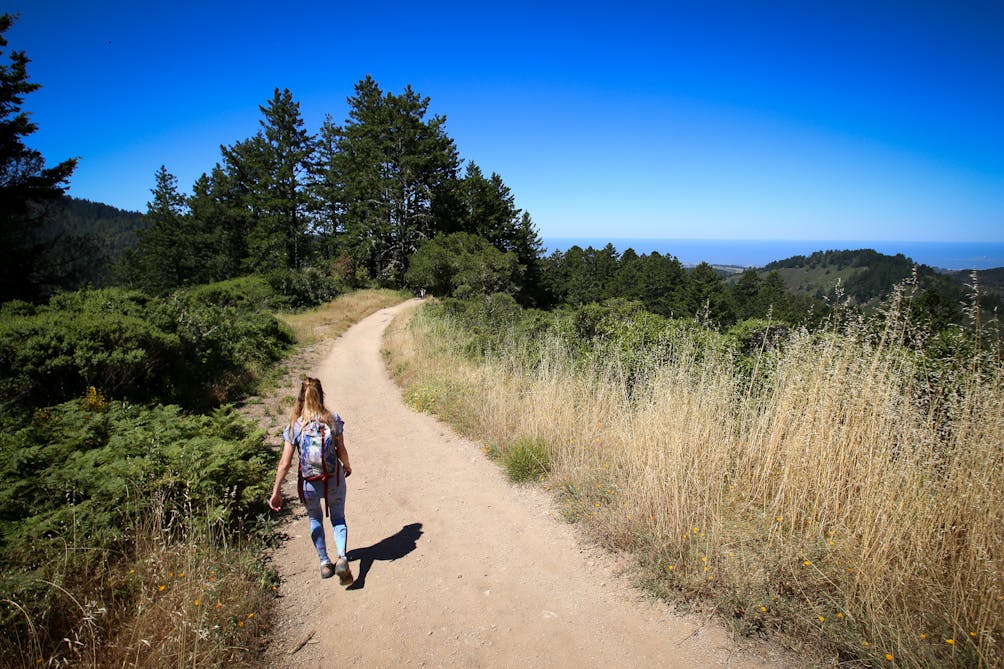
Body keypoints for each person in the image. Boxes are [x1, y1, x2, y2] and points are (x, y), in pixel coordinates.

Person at [269, 376, 354, 584]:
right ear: (321, 395)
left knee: (315, 519)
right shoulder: (333, 420)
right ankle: (342, 557)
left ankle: (325, 563)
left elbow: (285, 463)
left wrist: (276, 491)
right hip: (333, 480)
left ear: (300, 398)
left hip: (309, 484)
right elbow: (341, 449)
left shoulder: (296, 427)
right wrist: (347, 466)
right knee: (338, 519)